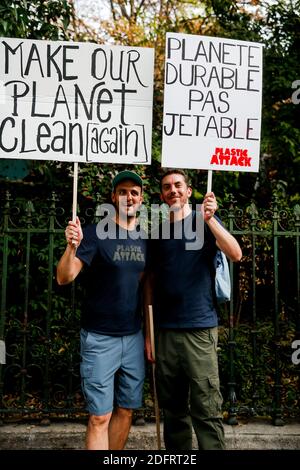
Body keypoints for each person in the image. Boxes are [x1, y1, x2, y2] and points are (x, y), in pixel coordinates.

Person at [145, 169, 242, 450]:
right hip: (164, 332)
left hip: (199, 329)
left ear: (188, 191)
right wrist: (149, 335)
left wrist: (210, 221)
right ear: (162, 195)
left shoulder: (205, 222)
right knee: (173, 410)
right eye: (166, 187)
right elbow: (149, 283)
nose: (172, 190)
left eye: (178, 185)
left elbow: (235, 253)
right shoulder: (158, 234)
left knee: (206, 407)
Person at [56, 170, 147, 450]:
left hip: (133, 337)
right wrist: (71, 248)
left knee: (127, 409)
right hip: (99, 338)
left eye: (134, 192)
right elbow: (64, 277)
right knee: (99, 417)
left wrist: (149, 337)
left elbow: (145, 287)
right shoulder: (95, 234)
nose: (128, 197)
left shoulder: (146, 239)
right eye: (123, 191)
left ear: (141, 199)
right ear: (113, 197)